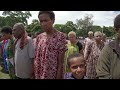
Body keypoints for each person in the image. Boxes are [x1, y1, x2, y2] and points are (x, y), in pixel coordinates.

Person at [34, 11, 67, 79]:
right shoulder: (39, 37)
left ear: (53, 20)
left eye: (46, 20)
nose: (43, 24)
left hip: (52, 75)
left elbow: (60, 63)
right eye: (41, 21)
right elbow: (36, 58)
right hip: (39, 74)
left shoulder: (60, 37)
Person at [96, 14, 120, 79]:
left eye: (100, 36)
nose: (99, 37)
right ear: (117, 30)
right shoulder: (108, 49)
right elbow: (102, 74)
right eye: (97, 36)